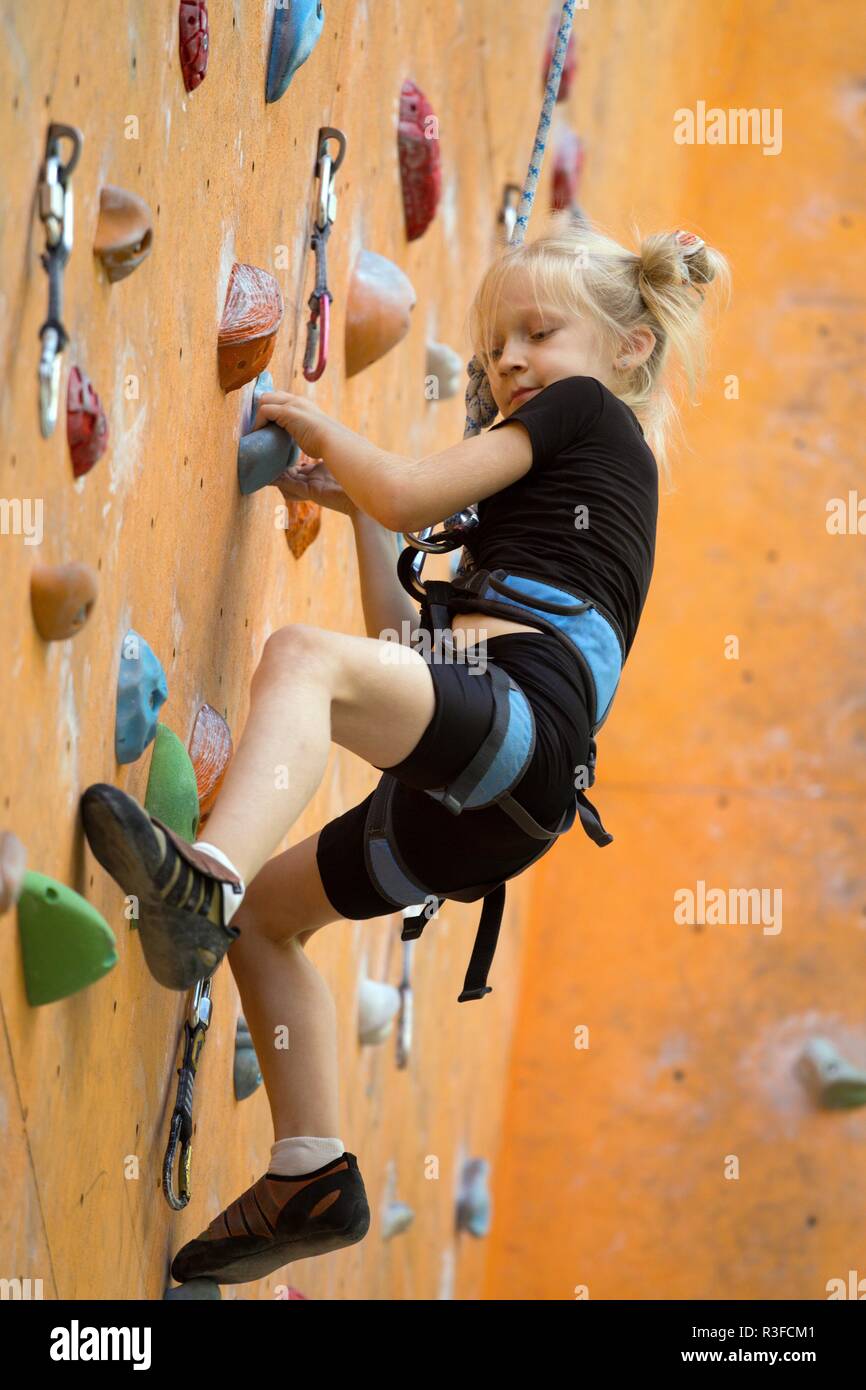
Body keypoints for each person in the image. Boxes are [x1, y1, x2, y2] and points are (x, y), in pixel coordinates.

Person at [80, 214, 731, 1285]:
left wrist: (329, 439)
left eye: (535, 333)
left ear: (628, 349)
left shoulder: (586, 417)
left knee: (298, 658)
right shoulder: (555, 515)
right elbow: (400, 646)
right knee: (271, 926)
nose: (507, 361)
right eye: (490, 349)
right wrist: (358, 518)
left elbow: (400, 493)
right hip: (495, 804)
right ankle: (312, 1169)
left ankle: (202, 881)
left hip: (514, 724)